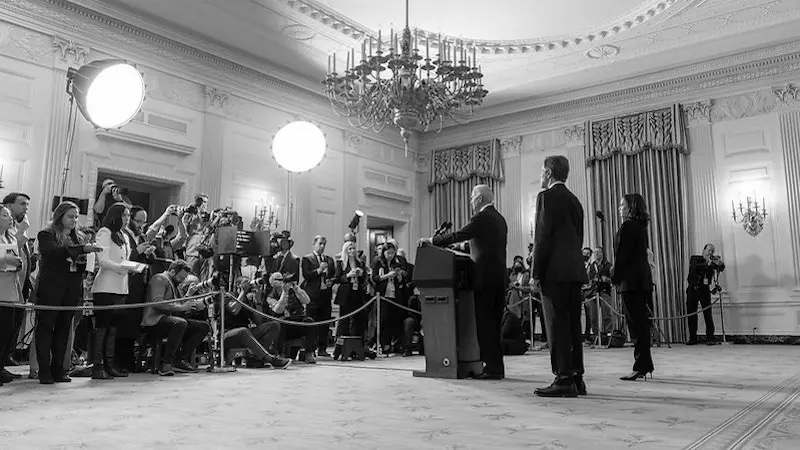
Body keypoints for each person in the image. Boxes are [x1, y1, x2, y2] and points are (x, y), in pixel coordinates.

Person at [422, 184, 508, 380]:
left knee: (485, 325)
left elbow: (459, 235)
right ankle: (496, 366)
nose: (470, 201)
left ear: (479, 199)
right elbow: (479, 244)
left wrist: (432, 240)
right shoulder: (499, 219)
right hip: (498, 279)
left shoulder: (481, 218)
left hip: (484, 280)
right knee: (494, 326)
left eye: (472, 197)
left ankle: (492, 369)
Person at [531, 156, 588, 397]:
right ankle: (577, 377)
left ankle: (563, 378)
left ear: (550, 172)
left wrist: (535, 274)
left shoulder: (545, 198)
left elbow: (542, 239)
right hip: (574, 272)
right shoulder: (575, 201)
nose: (541, 175)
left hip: (553, 273)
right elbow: (579, 238)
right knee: (573, 326)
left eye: (543, 171)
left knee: (556, 326)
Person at [35, 202, 102, 384]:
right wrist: (81, 250)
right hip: (52, 287)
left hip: (72, 286)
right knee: (46, 327)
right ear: (60, 216)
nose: (74, 220)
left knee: (64, 328)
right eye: (70, 216)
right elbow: (54, 253)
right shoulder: (46, 234)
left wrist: (82, 256)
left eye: (76, 217)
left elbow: (76, 260)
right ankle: (44, 370)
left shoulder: (77, 237)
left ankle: (59, 370)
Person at [91, 204, 141, 380]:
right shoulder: (105, 232)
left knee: (113, 329)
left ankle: (109, 364)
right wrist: (122, 267)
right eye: (124, 215)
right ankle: (98, 365)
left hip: (121, 286)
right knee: (102, 328)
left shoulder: (124, 235)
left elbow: (125, 258)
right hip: (106, 286)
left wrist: (130, 267)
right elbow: (103, 260)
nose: (127, 218)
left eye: (128, 215)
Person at [612, 193, 655, 381]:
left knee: (636, 327)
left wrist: (614, 278)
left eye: (623, 205)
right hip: (642, 281)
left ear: (631, 207)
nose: (620, 208)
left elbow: (622, 256)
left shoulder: (628, 227)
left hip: (630, 283)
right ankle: (646, 364)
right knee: (641, 325)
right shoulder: (640, 227)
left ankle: (641, 366)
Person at [332, 241, 369, 360]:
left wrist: (361, 274)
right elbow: (337, 278)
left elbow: (364, 279)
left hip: (357, 293)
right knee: (344, 322)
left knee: (358, 321)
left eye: (354, 248)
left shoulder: (360, 262)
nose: (352, 251)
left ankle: (357, 349)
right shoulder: (341, 262)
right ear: (346, 250)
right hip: (346, 294)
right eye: (350, 249)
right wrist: (348, 275)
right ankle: (338, 349)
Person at [0, 205, 24, 386]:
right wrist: (5, 260)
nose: (9, 219)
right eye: (5, 215)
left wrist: (18, 263)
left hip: (10, 287)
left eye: (9, 215)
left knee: (7, 332)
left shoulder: (10, 238)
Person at [301, 236, 335, 357]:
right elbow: (307, 275)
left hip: (325, 295)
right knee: (311, 322)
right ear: (314, 244)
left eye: (324, 244)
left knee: (324, 323)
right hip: (312, 295)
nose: (322, 246)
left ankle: (322, 348)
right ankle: (310, 348)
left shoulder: (329, 260)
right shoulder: (307, 259)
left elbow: (334, 275)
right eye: (320, 243)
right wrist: (319, 270)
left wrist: (332, 281)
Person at [686, 244, 726, 345]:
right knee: (692, 314)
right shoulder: (695, 258)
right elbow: (696, 267)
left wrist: (719, 262)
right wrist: (707, 263)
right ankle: (693, 338)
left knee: (708, 314)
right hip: (692, 289)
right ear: (704, 250)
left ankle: (710, 337)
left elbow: (721, 268)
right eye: (709, 250)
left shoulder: (712, 263)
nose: (710, 253)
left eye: (712, 251)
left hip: (704, 290)